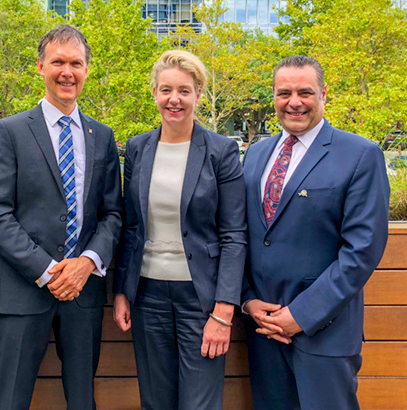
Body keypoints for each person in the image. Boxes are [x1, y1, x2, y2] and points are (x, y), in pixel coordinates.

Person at [0, 25, 123, 410]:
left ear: (87, 70)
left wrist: (86, 264)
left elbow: (113, 213)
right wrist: (47, 270)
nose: (67, 72)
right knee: (11, 399)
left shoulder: (102, 136)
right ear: (41, 67)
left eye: (76, 63)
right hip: (24, 289)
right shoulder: (9, 132)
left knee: (83, 399)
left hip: (84, 293)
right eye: (58, 62)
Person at [241, 55, 390, 410]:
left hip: (325, 333)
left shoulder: (360, 155)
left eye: (304, 92)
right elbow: (242, 233)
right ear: (273, 97)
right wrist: (247, 300)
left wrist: (302, 315)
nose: (294, 102)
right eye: (284, 93)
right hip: (263, 331)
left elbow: (362, 250)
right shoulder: (256, 154)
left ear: (323, 94)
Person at [113, 50, 247, 410]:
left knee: (199, 403)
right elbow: (131, 226)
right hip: (147, 295)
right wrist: (122, 290)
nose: (175, 99)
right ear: (154, 93)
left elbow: (234, 235)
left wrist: (224, 311)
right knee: (155, 401)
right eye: (166, 90)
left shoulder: (221, 151)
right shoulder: (138, 148)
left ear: (198, 95)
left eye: (184, 91)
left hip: (200, 299)